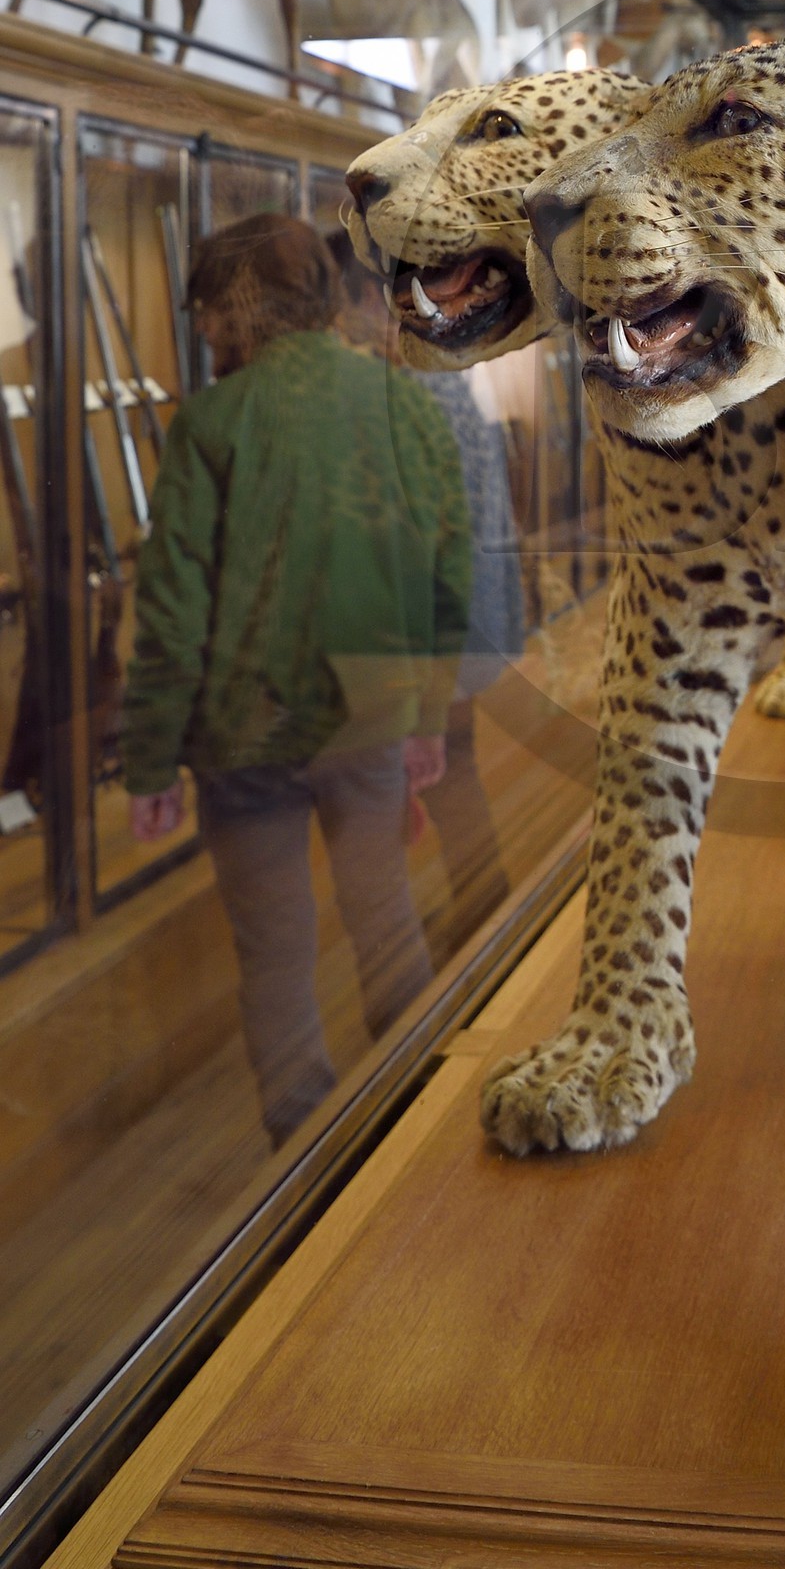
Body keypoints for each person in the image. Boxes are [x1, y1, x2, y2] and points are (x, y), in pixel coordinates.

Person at [121, 214, 471, 1146]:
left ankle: (303, 1165)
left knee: (274, 958)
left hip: (246, 737)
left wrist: (151, 762)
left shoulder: (211, 422)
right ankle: (413, 1133)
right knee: (384, 916)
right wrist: (428, 716)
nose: (200, 331)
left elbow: (173, 615)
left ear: (239, 308)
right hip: (369, 717)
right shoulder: (404, 405)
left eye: (204, 311)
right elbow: (446, 575)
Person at [327, 227, 519, 946]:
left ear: (371, 305)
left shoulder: (405, 388)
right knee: (448, 776)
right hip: (470, 613)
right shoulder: (434, 374)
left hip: (447, 622)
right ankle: (480, 909)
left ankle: (479, 918)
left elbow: (420, 538)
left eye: (344, 308)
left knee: (445, 777)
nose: (341, 326)